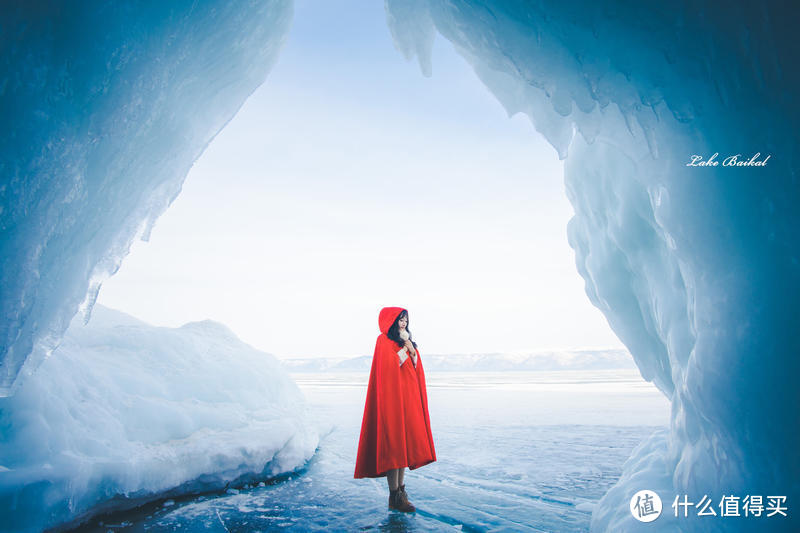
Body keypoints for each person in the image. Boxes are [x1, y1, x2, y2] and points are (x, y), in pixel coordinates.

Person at [354, 307, 436, 512]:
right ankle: (395, 496)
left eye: (406, 319)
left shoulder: (404, 340)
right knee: (394, 449)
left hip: (407, 401)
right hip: (392, 402)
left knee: (404, 448)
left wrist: (412, 351)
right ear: (390, 321)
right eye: (400, 319)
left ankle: (401, 492)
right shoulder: (384, 341)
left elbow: (415, 368)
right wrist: (404, 350)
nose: (403, 323)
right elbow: (388, 368)